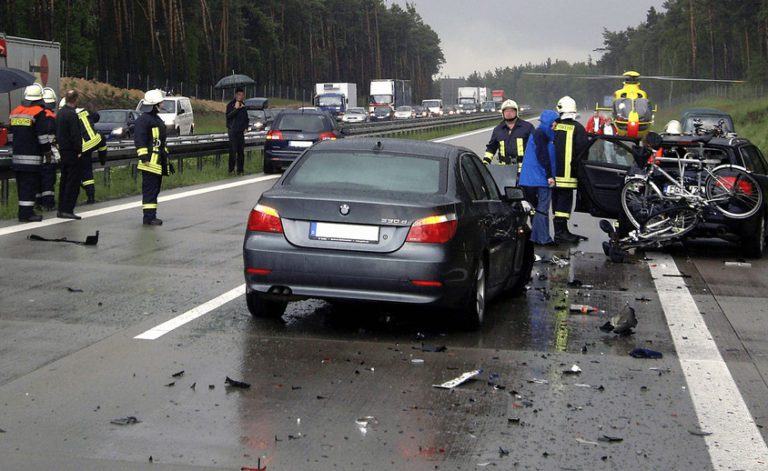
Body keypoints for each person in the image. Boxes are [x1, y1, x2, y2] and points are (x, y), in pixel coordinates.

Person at [552, 95, 590, 243]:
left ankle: (561, 230)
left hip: (553, 173)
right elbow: (583, 152)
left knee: (557, 200)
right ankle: (561, 232)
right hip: (569, 174)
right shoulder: (578, 129)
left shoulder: (554, 126)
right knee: (565, 200)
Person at [10, 83, 50, 222]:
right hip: (31, 157)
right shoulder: (39, 113)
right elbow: (42, 136)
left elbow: (12, 133)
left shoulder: (15, 112)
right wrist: (47, 151)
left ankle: (23, 212)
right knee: (29, 186)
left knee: (22, 187)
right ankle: (26, 214)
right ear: (39, 99)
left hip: (17, 157)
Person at [519, 109, 559, 246]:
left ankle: (536, 237)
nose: (556, 125)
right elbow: (543, 155)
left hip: (530, 178)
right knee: (542, 208)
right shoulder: (542, 135)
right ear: (550, 122)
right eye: (555, 122)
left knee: (538, 208)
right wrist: (549, 175)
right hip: (540, 177)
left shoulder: (538, 133)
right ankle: (543, 238)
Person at [135, 88, 171, 226]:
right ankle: (148, 218)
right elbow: (140, 139)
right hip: (149, 162)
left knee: (155, 189)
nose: (162, 104)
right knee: (150, 190)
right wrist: (143, 156)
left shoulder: (155, 119)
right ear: (155, 104)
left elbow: (160, 142)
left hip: (158, 161)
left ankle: (152, 215)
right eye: (160, 102)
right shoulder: (144, 120)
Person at [483, 99, 535, 174]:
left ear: (516, 112)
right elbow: (491, 148)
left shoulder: (527, 127)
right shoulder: (498, 129)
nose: (509, 113)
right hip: (504, 170)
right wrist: (485, 162)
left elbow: (535, 147)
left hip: (524, 170)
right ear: (502, 113)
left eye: (511, 111)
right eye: (506, 111)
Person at [56, 89, 84, 220]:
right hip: (72, 152)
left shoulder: (60, 113)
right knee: (72, 182)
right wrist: (79, 150)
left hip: (63, 151)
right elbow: (75, 135)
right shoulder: (72, 115)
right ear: (76, 100)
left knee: (64, 181)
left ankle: (61, 209)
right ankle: (68, 209)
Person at [77, 108, 107, 204]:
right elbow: (96, 116)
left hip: (82, 148)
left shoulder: (70, 116)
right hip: (95, 141)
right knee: (102, 141)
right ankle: (102, 159)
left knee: (85, 171)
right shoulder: (87, 112)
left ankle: (88, 194)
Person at [37, 87, 59, 211]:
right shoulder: (51, 117)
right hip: (49, 155)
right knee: (48, 181)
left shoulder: (38, 115)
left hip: (37, 155)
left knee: (39, 181)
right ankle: (48, 204)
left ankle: (38, 203)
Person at [226, 87, 248, 175]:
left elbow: (246, 118)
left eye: (242, 95)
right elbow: (228, 116)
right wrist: (236, 109)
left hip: (240, 131)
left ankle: (240, 170)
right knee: (233, 151)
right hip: (232, 131)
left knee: (241, 152)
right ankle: (231, 169)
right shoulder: (230, 105)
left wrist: (246, 127)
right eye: (239, 95)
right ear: (235, 95)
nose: (240, 96)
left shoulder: (243, 106)